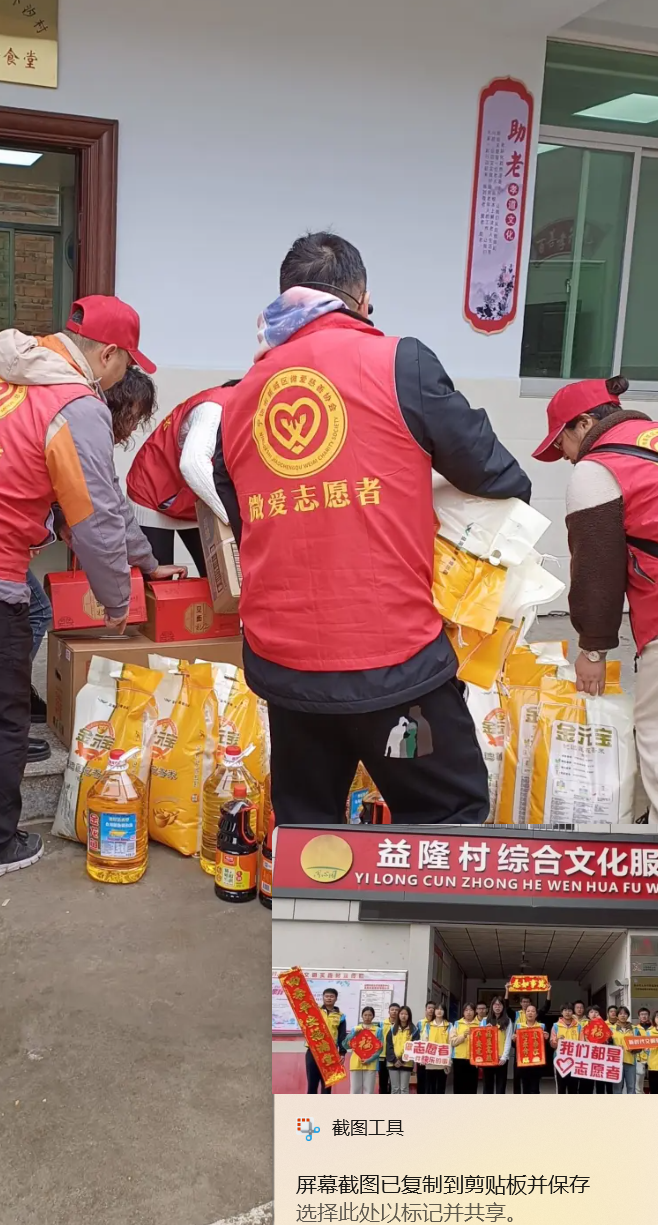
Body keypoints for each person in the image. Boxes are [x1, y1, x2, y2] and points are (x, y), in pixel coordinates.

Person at [214, 231, 531, 826]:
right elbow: (494, 473)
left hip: (286, 668)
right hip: (394, 667)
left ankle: (312, 888)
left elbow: (242, 512)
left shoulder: (239, 399)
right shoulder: (400, 362)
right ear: (360, 299)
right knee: (445, 818)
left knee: (308, 830)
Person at [0, 295, 179, 883]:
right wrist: (118, 599)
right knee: (1, 720)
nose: (122, 377)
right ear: (108, 354)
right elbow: (95, 515)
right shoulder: (76, 405)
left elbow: (100, 500)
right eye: (127, 364)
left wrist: (146, 562)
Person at [533, 376, 658, 819]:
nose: (567, 456)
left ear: (584, 423)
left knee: (654, 734)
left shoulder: (599, 468)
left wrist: (593, 649)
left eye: (562, 442)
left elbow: (596, 572)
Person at [25, 367, 160, 740]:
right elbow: (103, 520)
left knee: (28, 613)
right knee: (34, 613)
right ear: (118, 407)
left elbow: (109, 508)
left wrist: (149, 564)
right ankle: (6, 707)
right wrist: (117, 600)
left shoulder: (72, 417)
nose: (133, 429)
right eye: (134, 417)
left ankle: (10, 700)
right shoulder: (86, 424)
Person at [126, 380, 241, 574]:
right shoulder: (213, 408)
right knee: (158, 582)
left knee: (220, 578)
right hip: (154, 493)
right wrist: (233, 519)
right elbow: (193, 465)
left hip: (198, 498)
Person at [306, 988, 347, 1094]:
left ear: (336, 999)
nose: (329, 998)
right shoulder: (315, 1009)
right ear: (323, 997)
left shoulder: (341, 1016)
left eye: (332, 996)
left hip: (330, 1052)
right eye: (327, 996)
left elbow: (342, 1036)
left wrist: (342, 1053)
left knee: (327, 1084)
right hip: (313, 1050)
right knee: (312, 1084)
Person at [348, 1006, 383, 1094]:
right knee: (355, 1090)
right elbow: (345, 1045)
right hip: (356, 1063)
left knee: (369, 1091)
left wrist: (370, 1059)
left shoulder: (378, 1030)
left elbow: (380, 1048)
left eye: (370, 1015)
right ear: (362, 1016)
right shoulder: (355, 1029)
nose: (367, 1017)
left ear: (373, 1016)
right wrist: (353, 1035)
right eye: (365, 1015)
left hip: (371, 1064)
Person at [482, 997, 513, 1095]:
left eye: (500, 1004)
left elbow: (508, 1039)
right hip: (488, 1057)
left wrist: (504, 1056)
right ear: (492, 1006)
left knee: (501, 1084)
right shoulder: (484, 1020)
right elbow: (479, 1039)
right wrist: (485, 1030)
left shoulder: (507, 1021)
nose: (497, 1007)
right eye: (495, 1004)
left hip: (501, 1057)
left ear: (503, 1007)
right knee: (487, 1085)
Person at [450, 1004, 481, 1094]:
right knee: (459, 1085)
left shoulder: (479, 1024)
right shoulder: (457, 1024)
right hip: (459, 1058)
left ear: (474, 1012)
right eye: (466, 1010)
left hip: (474, 1059)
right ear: (463, 1012)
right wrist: (463, 1036)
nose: (468, 1012)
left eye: (471, 1010)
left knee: (472, 1086)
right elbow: (452, 1042)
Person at [513, 1003, 544, 1094]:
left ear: (536, 1014)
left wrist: (546, 1038)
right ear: (525, 1013)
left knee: (535, 1088)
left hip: (537, 1062)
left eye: (533, 1011)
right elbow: (514, 1046)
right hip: (524, 1062)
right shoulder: (519, 1026)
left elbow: (544, 1046)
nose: (530, 1013)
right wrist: (513, 1040)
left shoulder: (541, 1026)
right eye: (528, 1011)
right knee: (525, 1087)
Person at [550, 1005, 580, 1094]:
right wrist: (557, 1041)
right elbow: (552, 1045)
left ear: (573, 1012)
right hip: (560, 1061)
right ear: (561, 1012)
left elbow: (582, 1043)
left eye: (569, 1010)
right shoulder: (556, 1026)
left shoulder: (578, 1026)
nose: (567, 1012)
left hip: (575, 1061)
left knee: (573, 1088)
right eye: (565, 1010)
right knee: (561, 1088)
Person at [423, 1006, 451, 1095]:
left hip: (443, 1062)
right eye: (437, 1009)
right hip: (430, 1062)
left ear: (444, 1011)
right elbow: (424, 1041)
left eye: (441, 1009)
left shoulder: (449, 1025)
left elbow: (451, 1044)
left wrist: (449, 1061)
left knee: (441, 1088)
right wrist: (423, 1058)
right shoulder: (428, 1025)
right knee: (430, 1088)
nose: (439, 1011)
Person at [386, 1006, 414, 1095]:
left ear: (409, 1016)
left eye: (406, 1014)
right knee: (395, 1088)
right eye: (401, 1014)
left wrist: (402, 1060)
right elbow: (389, 1046)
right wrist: (394, 1060)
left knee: (404, 1089)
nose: (403, 1016)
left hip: (407, 1063)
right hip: (392, 1062)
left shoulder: (414, 1030)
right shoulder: (392, 1029)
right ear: (399, 1015)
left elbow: (414, 1046)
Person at [612, 1006, 638, 1094]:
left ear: (628, 1015)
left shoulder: (634, 1029)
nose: (623, 1015)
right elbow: (607, 1044)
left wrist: (633, 1049)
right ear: (617, 1016)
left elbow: (640, 1045)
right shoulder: (612, 1029)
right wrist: (615, 1048)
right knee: (617, 1087)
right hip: (616, 1062)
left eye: (625, 1014)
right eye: (620, 1014)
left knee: (631, 1087)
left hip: (630, 1061)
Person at [378, 1003, 401, 1096]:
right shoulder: (381, 1024)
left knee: (394, 1082)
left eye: (397, 1010)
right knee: (382, 1080)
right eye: (392, 1010)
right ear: (389, 1011)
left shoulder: (402, 1025)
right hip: (382, 1056)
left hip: (395, 1057)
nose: (394, 1012)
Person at [415, 1001, 436, 1096]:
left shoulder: (437, 1023)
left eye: (433, 1008)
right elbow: (415, 1038)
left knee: (432, 1081)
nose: (431, 1010)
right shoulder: (420, 1023)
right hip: (421, 1056)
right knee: (421, 1079)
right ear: (425, 1009)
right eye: (429, 1008)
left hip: (433, 1056)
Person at [636, 1008, 652, 1094]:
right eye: (642, 1014)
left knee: (653, 1080)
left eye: (646, 1014)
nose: (644, 1016)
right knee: (639, 1081)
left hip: (652, 1058)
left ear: (649, 1016)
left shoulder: (654, 1029)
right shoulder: (635, 1029)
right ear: (639, 1017)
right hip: (639, 1058)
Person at [646, 1010, 658, 1094]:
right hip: (653, 1065)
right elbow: (645, 1048)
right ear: (654, 1019)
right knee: (654, 1090)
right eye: (657, 1017)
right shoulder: (649, 1032)